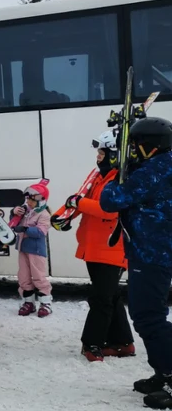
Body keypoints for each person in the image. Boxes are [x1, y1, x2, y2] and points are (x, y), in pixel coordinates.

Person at [100, 117, 172, 410]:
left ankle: (169, 374)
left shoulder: (153, 170)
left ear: (151, 146)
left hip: (151, 253)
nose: (131, 151)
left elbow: (111, 199)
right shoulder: (162, 165)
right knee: (150, 314)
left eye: (135, 145)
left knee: (148, 316)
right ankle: (162, 371)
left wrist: (113, 172)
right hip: (156, 250)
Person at [67, 131, 133, 362]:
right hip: (94, 246)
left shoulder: (122, 178)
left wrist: (80, 203)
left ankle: (92, 343)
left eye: (102, 152)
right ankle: (123, 343)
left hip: (112, 248)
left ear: (114, 155)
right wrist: (64, 217)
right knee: (110, 295)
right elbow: (80, 200)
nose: (98, 157)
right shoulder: (98, 176)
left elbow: (110, 209)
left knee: (101, 298)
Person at [12, 182, 52, 317]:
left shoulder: (44, 214)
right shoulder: (26, 212)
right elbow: (14, 222)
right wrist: (14, 213)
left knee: (39, 276)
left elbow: (41, 232)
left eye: (31, 199)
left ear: (40, 200)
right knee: (23, 276)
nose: (28, 202)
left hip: (36, 251)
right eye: (27, 199)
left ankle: (45, 303)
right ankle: (28, 302)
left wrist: (25, 229)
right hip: (23, 249)